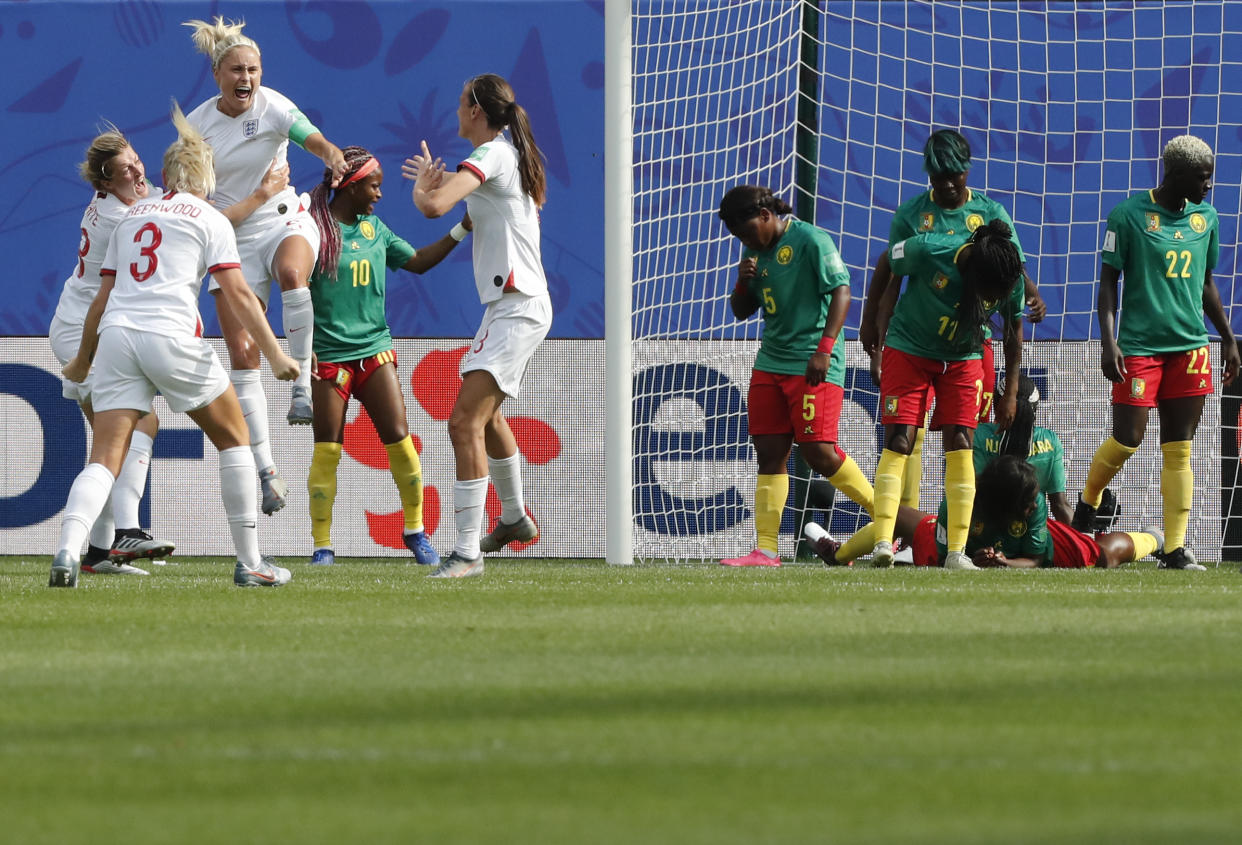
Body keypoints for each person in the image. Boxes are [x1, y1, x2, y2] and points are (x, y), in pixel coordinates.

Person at [50, 102, 299, 589]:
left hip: (116, 337)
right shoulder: (210, 220)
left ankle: (68, 552)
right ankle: (251, 564)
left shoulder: (132, 214)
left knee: (104, 456)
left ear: (163, 173)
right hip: (169, 336)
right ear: (209, 180)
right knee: (235, 439)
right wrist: (275, 354)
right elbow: (240, 294)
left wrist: (83, 359)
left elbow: (102, 298)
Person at [184, 16, 348, 516]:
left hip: (283, 219)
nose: (246, 79)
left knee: (294, 275)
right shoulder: (197, 126)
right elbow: (195, 197)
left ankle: (302, 389)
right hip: (231, 234)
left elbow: (311, 138)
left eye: (253, 70)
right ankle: (266, 472)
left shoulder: (274, 104)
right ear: (218, 74)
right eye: (236, 70)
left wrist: (331, 155)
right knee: (241, 352)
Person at [402, 73, 552, 578]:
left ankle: (468, 553)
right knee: (486, 420)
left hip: (518, 305)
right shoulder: (503, 157)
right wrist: (441, 193)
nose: (456, 108)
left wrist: (426, 190)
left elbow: (433, 206)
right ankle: (513, 520)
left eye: (461, 101)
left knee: (463, 422)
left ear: (476, 112)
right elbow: (463, 218)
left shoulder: (492, 153)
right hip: (512, 306)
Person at [1071, 134, 1239, 570]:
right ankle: (1088, 502)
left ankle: (1175, 548)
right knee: (1129, 439)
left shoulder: (1207, 217)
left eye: (1210, 178)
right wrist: (1109, 341)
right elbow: (1109, 282)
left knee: (1179, 447)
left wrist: (1228, 338)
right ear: (1175, 174)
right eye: (1202, 178)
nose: (1208, 187)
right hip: (1141, 348)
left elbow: (1205, 285)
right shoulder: (1127, 216)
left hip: (1190, 348)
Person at [862, 129, 1045, 513]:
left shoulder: (991, 214)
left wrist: (1031, 291)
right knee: (906, 436)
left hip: (968, 347)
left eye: (954, 175)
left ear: (967, 171)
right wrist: (873, 326)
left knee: (963, 438)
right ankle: (903, 530)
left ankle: (956, 532)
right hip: (914, 342)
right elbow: (890, 270)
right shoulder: (912, 217)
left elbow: (1011, 267)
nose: (946, 184)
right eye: (937, 176)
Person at [304, 146, 471, 566]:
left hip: (374, 351)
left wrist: (463, 228)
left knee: (400, 441)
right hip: (328, 358)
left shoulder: (375, 229)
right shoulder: (311, 231)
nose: (379, 195)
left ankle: (415, 531)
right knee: (327, 449)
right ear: (349, 186)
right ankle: (322, 546)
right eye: (373, 187)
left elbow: (416, 263)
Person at [711, 184, 875, 566]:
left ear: (767, 216)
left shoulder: (811, 240)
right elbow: (740, 310)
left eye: (748, 231)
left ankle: (887, 517)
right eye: (738, 235)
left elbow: (842, 292)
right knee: (769, 454)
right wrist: (743, 281)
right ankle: (766, 550)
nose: (745, 239)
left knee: (819, 452)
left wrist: (825, 349)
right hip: (771, 361)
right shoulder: (754, 251)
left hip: (812, 360)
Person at [859, 219, 1025, 571]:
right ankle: (883, 544)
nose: (991, 300)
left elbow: (1013, 334)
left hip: (963, 357)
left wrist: (1010, 390)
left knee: (962, 442)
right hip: (909, 350)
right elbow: (889, 260)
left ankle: (956, 553)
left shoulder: (1006, 276)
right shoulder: (930, 249)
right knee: (900, 441)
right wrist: (873, 326)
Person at [48, 126, 173, 576]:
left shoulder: (124, 203)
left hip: (84, 326)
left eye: (137, 159)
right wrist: (82, 358)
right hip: (86, 330)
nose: (138, 169)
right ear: (105, 183)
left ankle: (98, 553)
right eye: (126, 169)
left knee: (112, 443)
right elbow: (101, 302)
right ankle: (125, 531)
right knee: (136, 424)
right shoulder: (122, 221)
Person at [809, 455, 1164, 570]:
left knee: (1101, 556)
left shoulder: (1034, 507)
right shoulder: (962, 500)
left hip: (1026, 547)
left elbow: (1036, 559)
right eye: (1027, 501)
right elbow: (952, 558)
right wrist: (970, 558)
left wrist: (1005, 563)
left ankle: (1156, 538)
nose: (1032, 503)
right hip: (969, 542)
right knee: (914, 527)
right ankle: (839, 554)